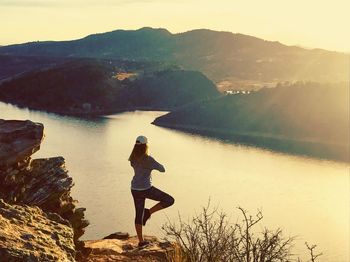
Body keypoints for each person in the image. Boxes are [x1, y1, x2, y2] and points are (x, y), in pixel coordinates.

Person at [129, 135, 174, 247]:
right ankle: (149, 212)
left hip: (135, 189)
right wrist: (153, 163)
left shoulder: (132, 158)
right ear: (146, 146)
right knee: (169, 200)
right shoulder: (149, 159)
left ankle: (141, 241)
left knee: (138, 214)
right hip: (146, 189)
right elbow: (162, 169)